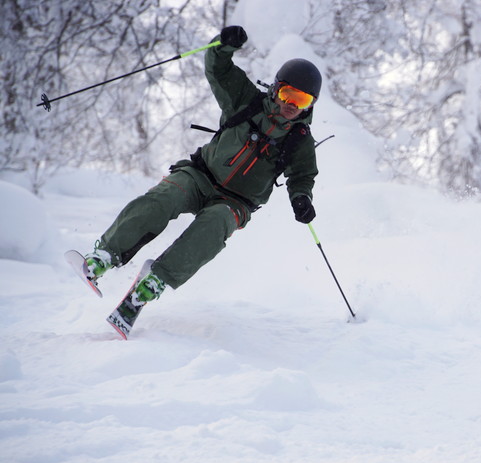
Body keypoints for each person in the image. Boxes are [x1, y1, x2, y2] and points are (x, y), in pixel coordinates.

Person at [81, 25, 321, 306]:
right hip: (200, 175)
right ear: (277, 88)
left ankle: (157, 281)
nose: (292, 105)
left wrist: (301, 197)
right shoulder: (247, 100)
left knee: (214, 225)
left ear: (310, 105)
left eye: (302, 100)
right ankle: (105, 256)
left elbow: (302, 175)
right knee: (164, 197)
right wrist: (223, 45)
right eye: (288, 95)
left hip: (237, 202)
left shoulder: (299, 139)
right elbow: (218, 69)